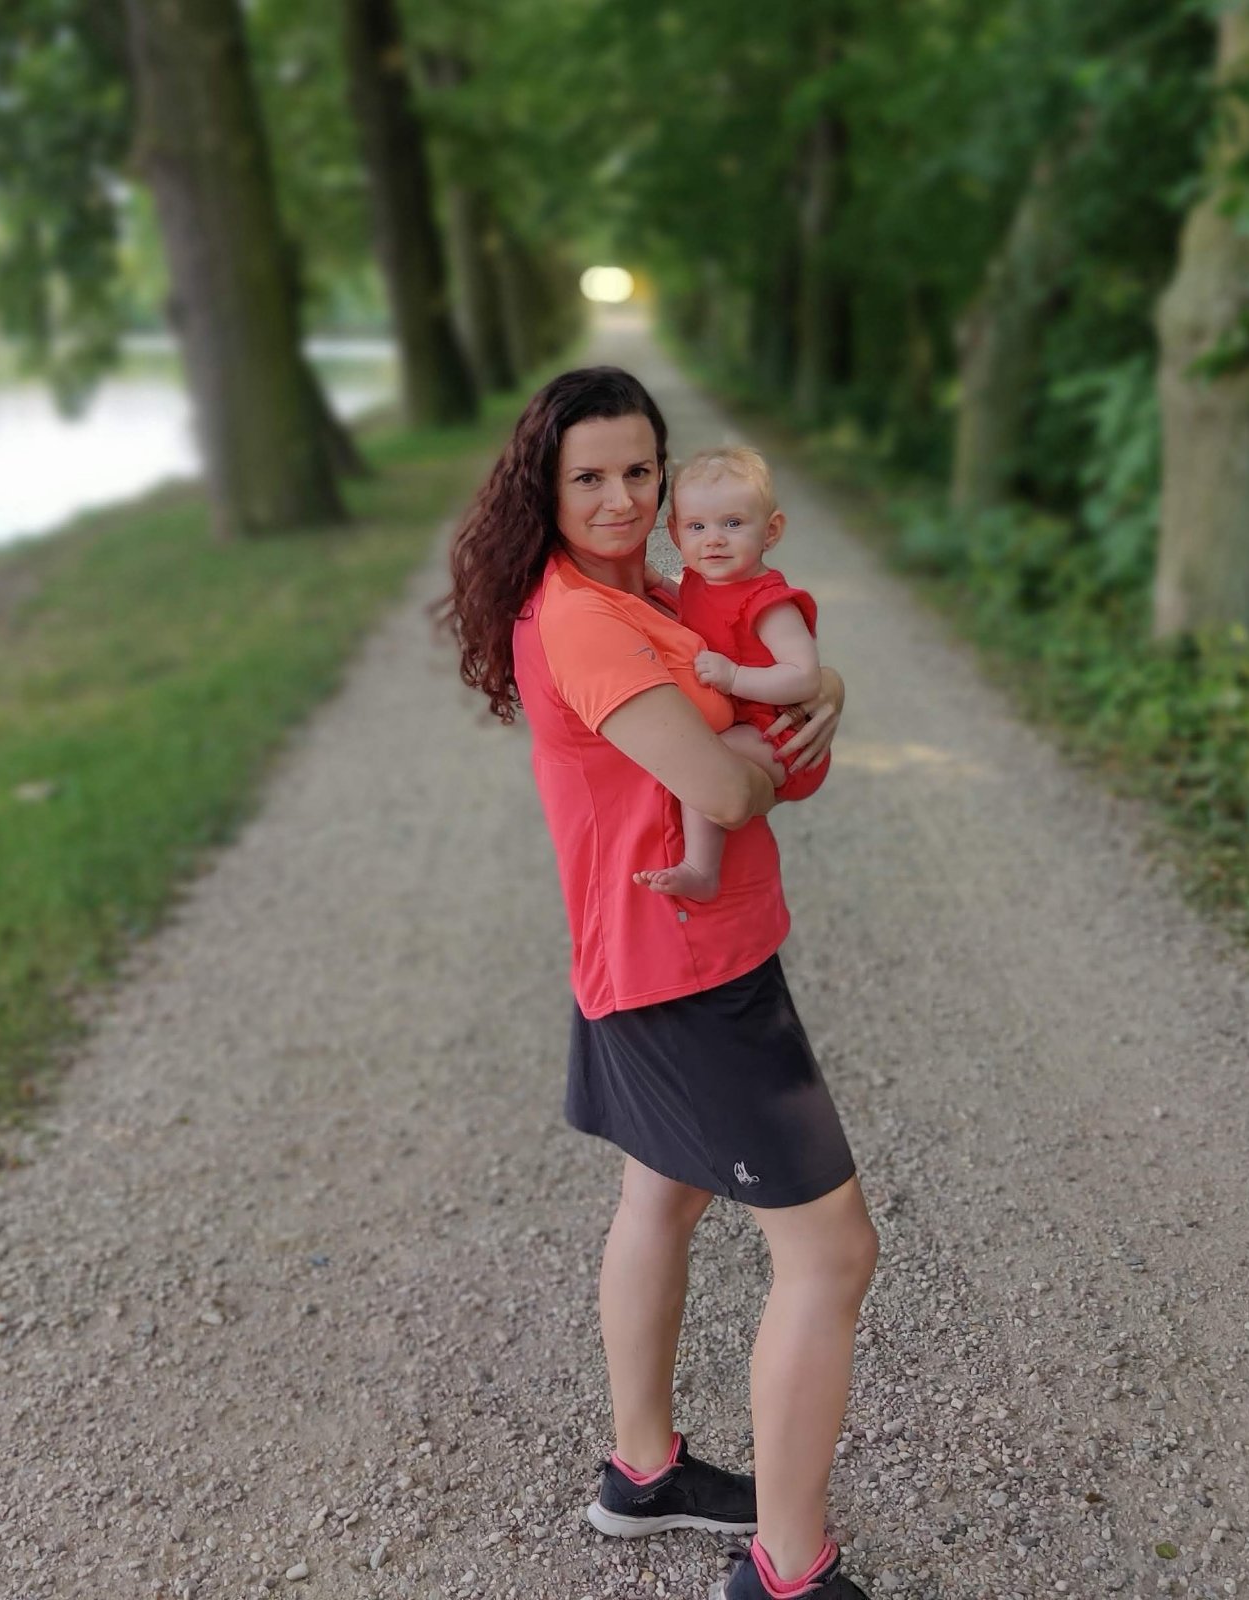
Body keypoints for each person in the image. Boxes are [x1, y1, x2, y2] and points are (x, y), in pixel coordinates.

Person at [443, 366, 879, 1600]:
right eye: (588, 477)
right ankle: (787, 1571)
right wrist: (770, 746)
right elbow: (730, 789)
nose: (622, 498)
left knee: (664, 1195)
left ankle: (642, 1472)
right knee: (832, 1253)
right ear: (543, 487)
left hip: (655, 953)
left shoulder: (644, 593)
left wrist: (823, 688)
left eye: (640, 470)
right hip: (683, 972)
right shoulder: (585, 620)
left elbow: (768, 670)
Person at [635, 445, 827, 904]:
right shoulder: (700, 580)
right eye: (697, 527)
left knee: (701, 760)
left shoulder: (769, 604)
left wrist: (735, 677)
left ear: (770, 531)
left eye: (733, 524)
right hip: (743, 723)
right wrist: (660, 584)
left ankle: (701, 869)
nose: (714, 540)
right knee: (699, 755)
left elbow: (805, 677)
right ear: (675, 533)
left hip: (778, 735)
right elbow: (703, 613)